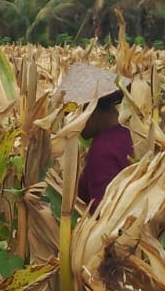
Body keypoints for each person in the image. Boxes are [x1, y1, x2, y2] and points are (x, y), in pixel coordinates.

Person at [57, 63, 133, 210]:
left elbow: (102, 211)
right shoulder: (130, 134)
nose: (71, 121)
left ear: (89, 107)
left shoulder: (103, 148)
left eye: (74, 113)